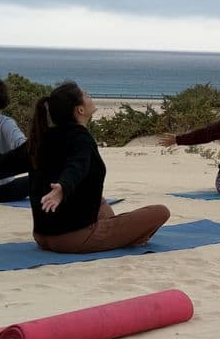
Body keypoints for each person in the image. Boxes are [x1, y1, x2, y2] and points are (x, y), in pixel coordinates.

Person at [28, 81, 170, 253]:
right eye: (86, 95)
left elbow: (3, 162)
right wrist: (63, 188)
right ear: (79, 110)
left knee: (100, 201)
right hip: (74, 238)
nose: (90, 96)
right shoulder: (82, 139)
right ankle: (130, 239)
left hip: (42, 236)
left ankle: (119, 233)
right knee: (161, 212)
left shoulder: (42, 138)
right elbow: (77, 165)